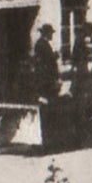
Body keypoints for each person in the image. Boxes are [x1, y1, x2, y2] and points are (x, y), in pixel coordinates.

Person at [31, 24, 61, 152]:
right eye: (50, 33)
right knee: (47, 113)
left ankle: (50, 140)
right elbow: (47, 63)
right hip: (46, 84)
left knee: (50, 113)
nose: (52, 35)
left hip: (48, 83)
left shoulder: (43, 44)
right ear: (46, 33)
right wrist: (55, 56)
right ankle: (48, 142)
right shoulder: (41, 45)